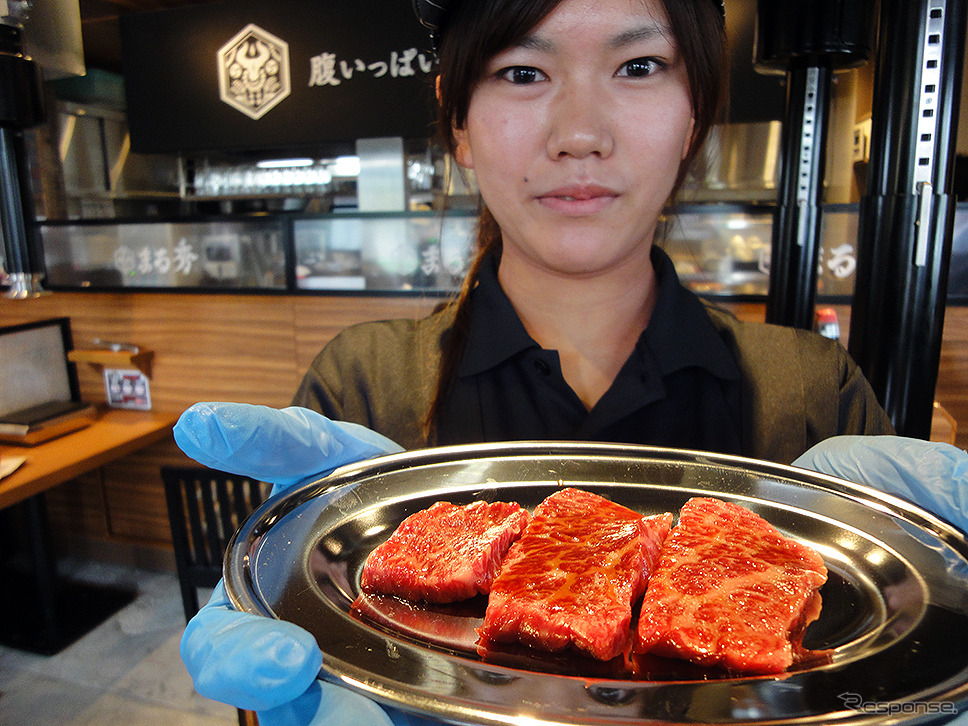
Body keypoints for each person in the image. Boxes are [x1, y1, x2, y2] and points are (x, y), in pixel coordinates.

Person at [172, 0, 967, 724]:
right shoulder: (363, 380)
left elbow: (883, 665)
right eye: (522, 72)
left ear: (692, 118)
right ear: (460, 124)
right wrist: (272, 580)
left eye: (639, 66)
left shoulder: (812, 390)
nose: (580, 133)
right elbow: (296, 651)